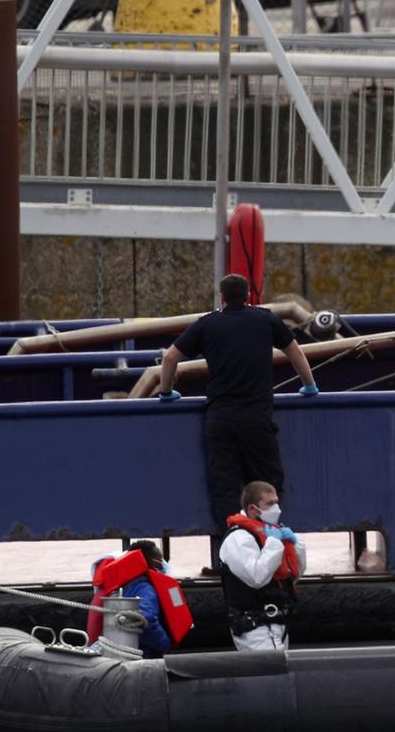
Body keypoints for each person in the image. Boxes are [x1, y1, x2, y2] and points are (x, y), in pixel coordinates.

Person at [157, 273, 320, 531]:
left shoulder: (206, 324)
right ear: (248, 296)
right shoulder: (266, 319)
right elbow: (295, 352)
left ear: (221, 297)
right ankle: (270, 547)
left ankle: (231, 552)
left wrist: (166, 392)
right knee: (268, 484)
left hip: (220, 419)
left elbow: (170, 358)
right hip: (257, 419)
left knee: (226, 487)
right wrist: (309, 385)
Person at [218, 480, 302, 652]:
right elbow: (257, 576)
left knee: (283, 675)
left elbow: (295, 575)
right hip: (255, 627)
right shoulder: (238, 539)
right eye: (270, 504)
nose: (276, 508)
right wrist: (273, 543)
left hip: (279, 622)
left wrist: (296, 545)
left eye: (277, 502)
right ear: (252, 509)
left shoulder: (273, 534)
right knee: (271, 676)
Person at [85, 540, 192, 658]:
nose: (163, 566)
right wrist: (164, 644)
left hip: (119, 650)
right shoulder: (145, 589)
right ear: (153, 563)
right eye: (161, 562)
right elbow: (145, 619)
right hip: (142, 655)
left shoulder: (120, 588)